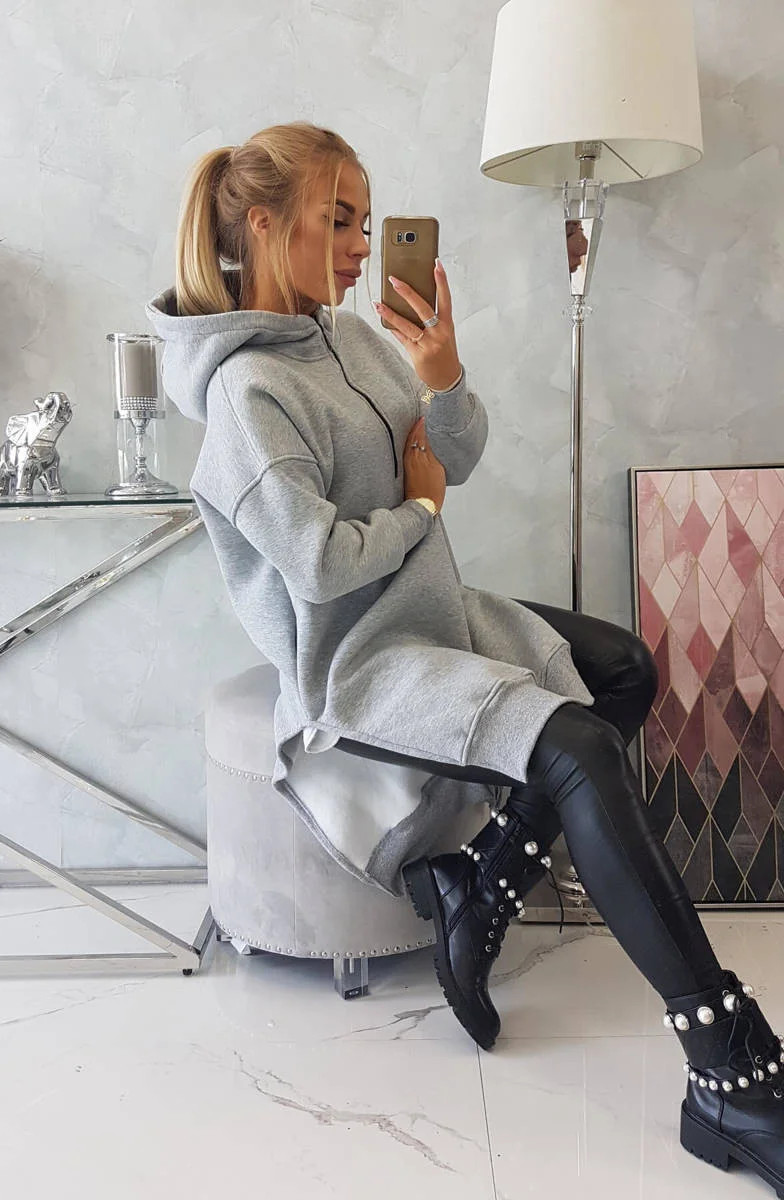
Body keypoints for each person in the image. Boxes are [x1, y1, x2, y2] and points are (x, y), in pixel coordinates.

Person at [146, 120, 784, 1196]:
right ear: (262, 224)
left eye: (365, 220)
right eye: (338, 220)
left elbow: (459, 456)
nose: (362, 245)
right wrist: (420, 510)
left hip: (433, 610)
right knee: (579, 748)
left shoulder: (352, 341)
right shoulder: (245, 396)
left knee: (623, 669)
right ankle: (727, 1068)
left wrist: (441, 378)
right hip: (360, 658)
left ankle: (477, 893)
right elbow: (318, 568)